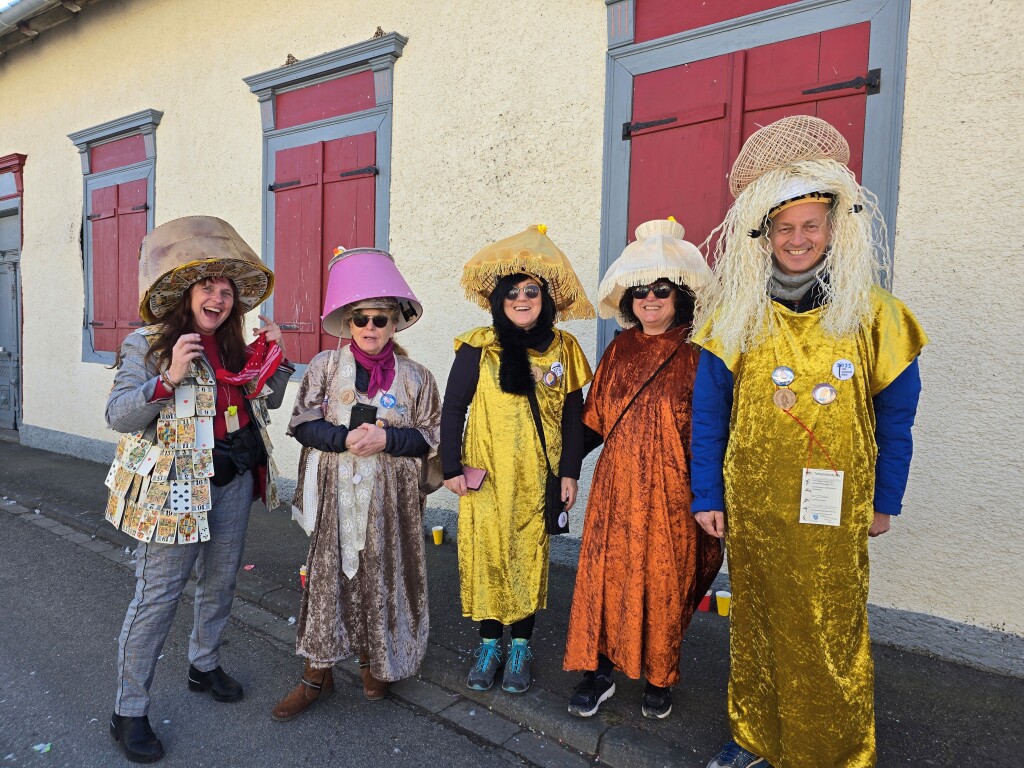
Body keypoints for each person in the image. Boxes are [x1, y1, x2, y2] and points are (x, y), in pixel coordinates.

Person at [690, 116, 927, 768]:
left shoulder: (873, 312)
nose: (797, 240)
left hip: (836, 505)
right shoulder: (737, 312)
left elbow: (897, 416)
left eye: (809, 226)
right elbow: (709, 412)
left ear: (833, 226)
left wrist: (886, 499)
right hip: (755, 505)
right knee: (759, 624)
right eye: (783, 228)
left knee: (828, 627)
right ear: (764, 235)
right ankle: (755, 738)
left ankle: (831, 751)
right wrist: (706, 493)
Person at [105, 216, 292, 763]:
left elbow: (267, 401)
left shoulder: (236, 347)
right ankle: (129, 709)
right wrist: (167, 380)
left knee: (221, 581)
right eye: (207, 286)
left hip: (232, 479)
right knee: (157, 598)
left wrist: (277, 359)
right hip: (172, 489)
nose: (218, 296)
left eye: (227, 290)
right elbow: (118, 414)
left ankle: (203, 664)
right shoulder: (146, 343)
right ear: (186, 293)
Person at [563, 217, 723, 720]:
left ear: (679, 297)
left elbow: (716, 432)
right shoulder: (618, 350)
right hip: (617, 487)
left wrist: (710, 496)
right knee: (607, 577)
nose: (649, 300)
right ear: (629, 301)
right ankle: (599, 671)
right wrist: (561, 466)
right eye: (640, 292)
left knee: (664, 581)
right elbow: (593, 423)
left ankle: (660, 675)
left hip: (675, 491)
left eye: (661, 290)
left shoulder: (703, 353)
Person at [272, 247, 441, 720]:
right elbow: (302, 424)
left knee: (380, 576)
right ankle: (315, 674)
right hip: (335, 496)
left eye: (380, 320)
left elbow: (431, 437)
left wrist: (386, 438)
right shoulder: (326, 367)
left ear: (395, 324)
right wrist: (344, 437)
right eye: (361, 319)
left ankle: (374, 661)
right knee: (327, 580)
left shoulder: (416, 377)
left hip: (391, 503)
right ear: (348, 322)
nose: (370, 328)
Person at [441, 224, 594, 694]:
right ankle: (489, 644)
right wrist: (449, 467)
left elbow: (574, 418)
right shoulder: (477, 346)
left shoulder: (564, 348)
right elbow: (453, 407)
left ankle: (521, 647)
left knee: (528, 560)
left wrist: (570, 473)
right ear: (499, 299)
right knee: (485, 557)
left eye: (532, 291)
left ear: (545, 298)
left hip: (537, 479)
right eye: (513, 292)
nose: (523, 299)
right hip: (484, 478)